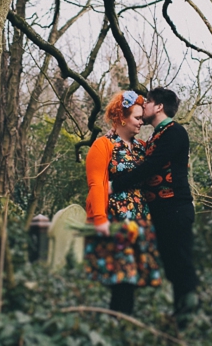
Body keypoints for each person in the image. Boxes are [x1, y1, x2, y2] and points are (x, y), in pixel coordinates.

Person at [109, 87, 199, 326]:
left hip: (175, 209)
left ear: (159, 106)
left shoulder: (174, 132)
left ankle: (187, 320)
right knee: (170, 263)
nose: (144, 106)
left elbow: (149, 167)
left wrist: (114, 186)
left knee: (180, 262)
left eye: (147, 102)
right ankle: (176, 319)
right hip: (160, 212)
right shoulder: (154, 137)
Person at [83, 90, 162, 315]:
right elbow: (97, 185)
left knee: (131, 279)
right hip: (115, 218)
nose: (141, 123)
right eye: (137, 118)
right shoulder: (103, 145)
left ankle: (121, 326)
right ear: (121, 117)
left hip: (139, 219)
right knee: (121, 279)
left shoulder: (142, 147)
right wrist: (99, 220)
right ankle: (116, 325)